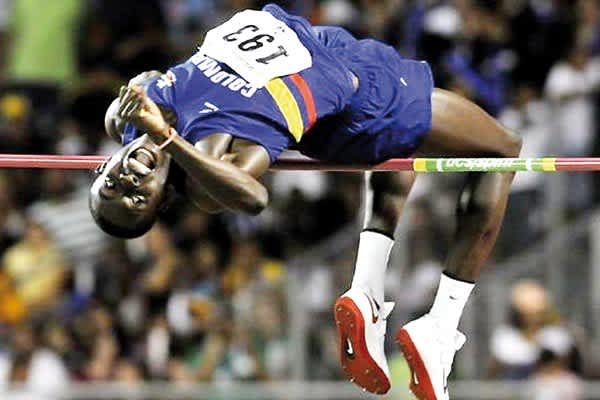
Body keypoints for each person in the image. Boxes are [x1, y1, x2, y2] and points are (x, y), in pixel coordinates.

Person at [89, 4, 521, 399]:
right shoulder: (209, 163)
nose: (129, 182)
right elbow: (251, 196)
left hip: (319, 49)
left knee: (400, 151)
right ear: (163, 198)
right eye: (138, 198)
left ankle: (367, 294)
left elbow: (138, 89)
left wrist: (141, 118)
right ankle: (440, 328)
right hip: (357, 97)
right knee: (502, 150)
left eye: (112, 186)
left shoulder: (133, 119)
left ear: (104, 166)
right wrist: (168, 137)